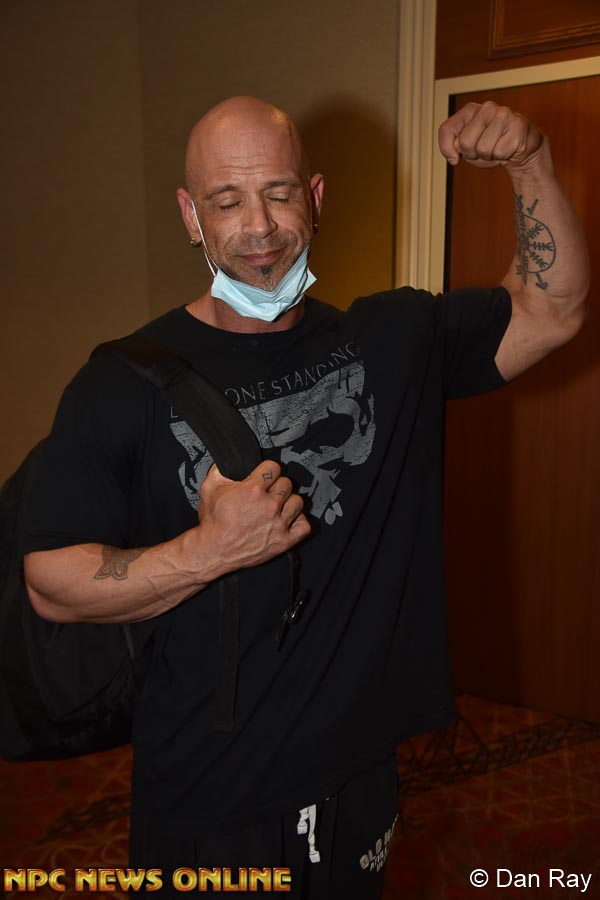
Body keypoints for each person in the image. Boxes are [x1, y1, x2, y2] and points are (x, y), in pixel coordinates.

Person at [23, 96, 589, 898]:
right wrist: (207, 552)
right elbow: (50, 581)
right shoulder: (119, 383)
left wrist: (531, 162)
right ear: (191, 216)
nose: (258, 225)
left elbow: (552, 308)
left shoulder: (392, 341)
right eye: (227, 201)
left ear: (315, 198)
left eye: (279, 193)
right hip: (210, 795)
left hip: (358, 774)